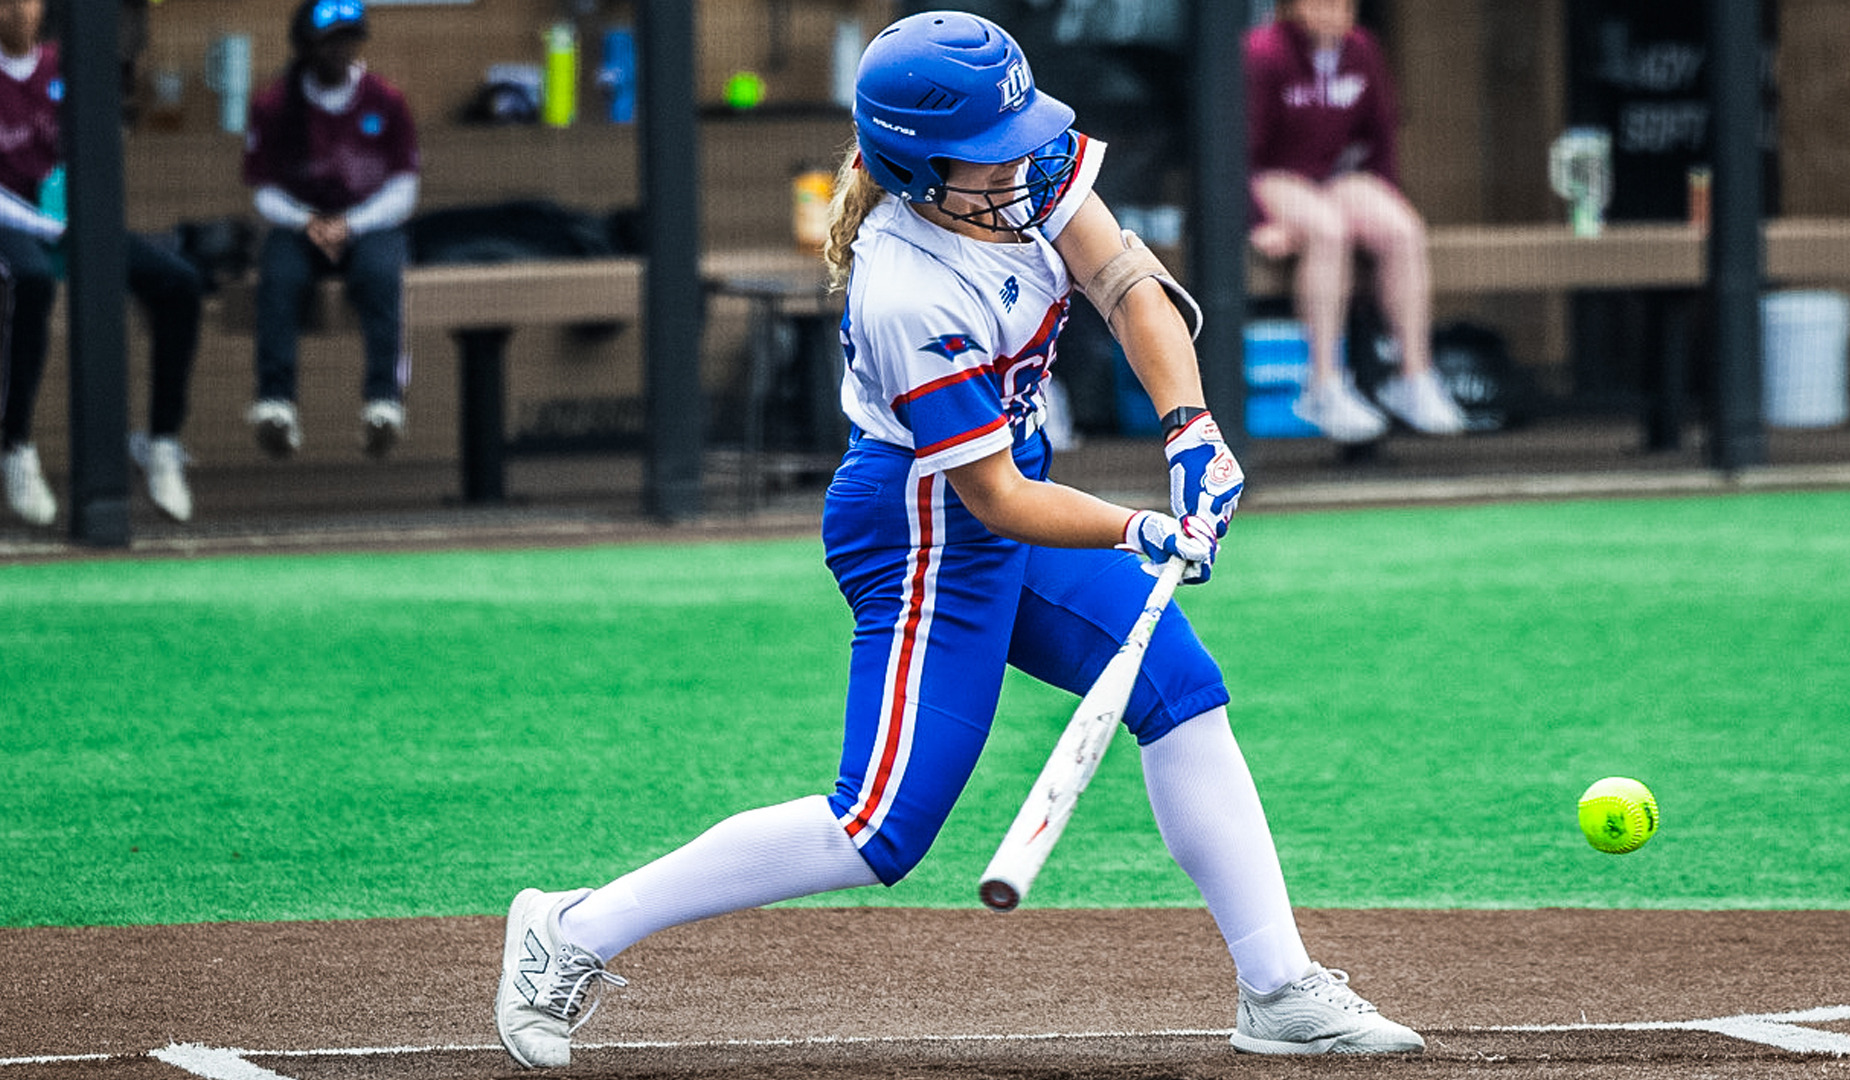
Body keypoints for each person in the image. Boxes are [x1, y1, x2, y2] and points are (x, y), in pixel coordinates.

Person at [492, 11, 1422, 1069]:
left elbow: (1124, 282)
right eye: (990, 154)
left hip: (1007, 492)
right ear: (918, 167)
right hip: (921, 526)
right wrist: (1139, 527)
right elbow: (990, 502)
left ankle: (1278, 987)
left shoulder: (1022, 163)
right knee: (876, 828)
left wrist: (1190, 427)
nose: (1023, 164)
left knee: (1181, 691)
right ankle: (570, 931)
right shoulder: (908, 288)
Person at [0, 0, 201, 525]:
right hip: (15, 227)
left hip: (76, 225)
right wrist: (46, 225)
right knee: (31, 281)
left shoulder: (67, 65)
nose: (16, 10)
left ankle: (160, 441)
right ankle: (15, 443)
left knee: (178, 284)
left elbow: (92, 152)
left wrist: (79, 217)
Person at [1244, 0, 1465, 443]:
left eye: (1342, 3)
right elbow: (1234, 150)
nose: (1332, 11)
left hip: (1335, 176)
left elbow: (1380, 139)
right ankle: (1324, 383)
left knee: (1402, 229)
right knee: (1327, 230)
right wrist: (1261, 219)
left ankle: (1413, 376)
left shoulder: (1362, 48)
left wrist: (1382, 198)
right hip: (1272, 176)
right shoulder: (1261, 52)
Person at [241, 0, 417, 459]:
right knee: (278, 278)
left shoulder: (387, 101)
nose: (339, 51)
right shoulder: (275, 104)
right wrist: (308, 222)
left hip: (368, 220)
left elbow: (404, 189)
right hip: (300, 222)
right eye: (328, 41)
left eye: (348, 40)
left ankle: (384, 400)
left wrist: (351, 224)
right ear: (305, 47)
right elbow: (263, 191)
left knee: (381, 274)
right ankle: (275, 402)